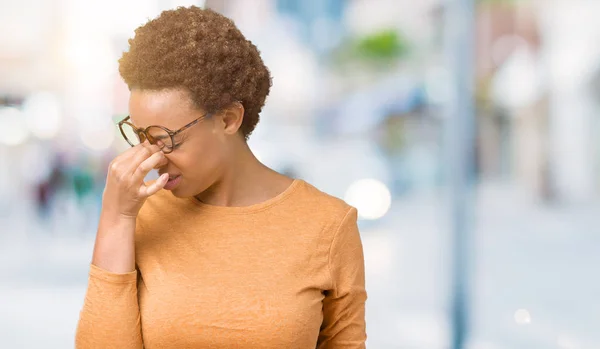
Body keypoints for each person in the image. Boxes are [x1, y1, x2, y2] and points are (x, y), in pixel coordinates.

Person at [75, 6, 366, 349]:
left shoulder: (329, 225)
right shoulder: (138, 217)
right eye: (139, 136)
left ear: (228, 119)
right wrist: (116, 219)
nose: (150, 157)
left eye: (164, 138)